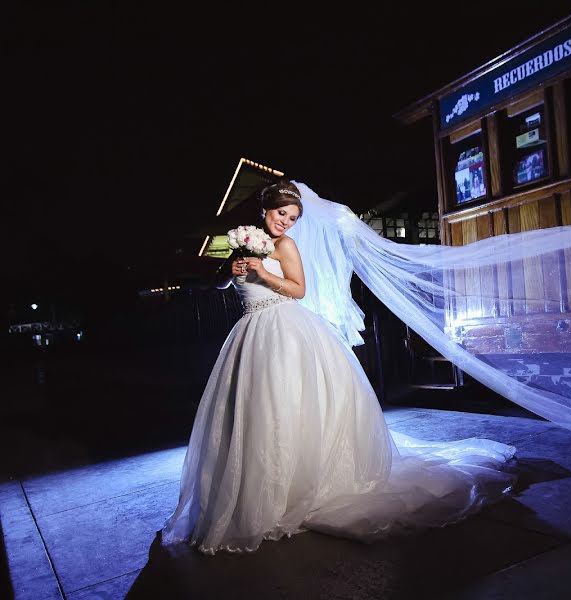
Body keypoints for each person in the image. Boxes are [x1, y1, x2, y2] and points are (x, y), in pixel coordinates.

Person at [161, 180, 516, 555]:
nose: (286, 222)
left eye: (293, 217)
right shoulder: (243, 241)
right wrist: (229, 269)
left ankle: (301, 483)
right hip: (250, 331)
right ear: (263, 210)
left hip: (285, 326)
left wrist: (263, 273)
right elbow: (219, 284)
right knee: (256, 410)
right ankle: (257, 486)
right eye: (282, 214)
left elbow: (298, 289)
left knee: (289, 403)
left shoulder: (284, 245)